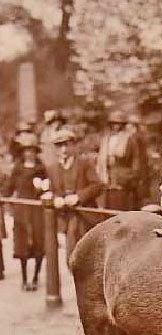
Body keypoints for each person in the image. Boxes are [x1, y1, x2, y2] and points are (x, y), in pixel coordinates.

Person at [47, 128, 105, 264]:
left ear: (74, 145)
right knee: (71, 256)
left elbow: (98, 185)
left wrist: (79, 197)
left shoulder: (84, 164)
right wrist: (56, 199)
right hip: (65, 217)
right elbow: (51, 190)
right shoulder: (52, 168)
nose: (63, 149)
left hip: (84, 215)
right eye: (59, 146)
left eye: (67, 144)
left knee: (87, 256)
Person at [1, 132, 47, 291]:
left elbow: (48, 189)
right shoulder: (17, 169)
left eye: (32, 150)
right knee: (22, 245)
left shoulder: (42, 169)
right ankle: (24, 278)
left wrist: (42, 189)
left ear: (36, 152)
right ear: (22, 152)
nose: (29, 153)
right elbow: (9, 188)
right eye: (26, 150)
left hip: (37, 210)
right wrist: (3, 197)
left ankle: (35, 277)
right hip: (22, 210)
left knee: (39, 243)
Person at [96, 111, 140, 210]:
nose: (116, 126)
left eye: (119, 123)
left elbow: (135, 159)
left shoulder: (129, 139)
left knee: (122, 205)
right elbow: (101, 160)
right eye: (114, 123)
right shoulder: (106, 139)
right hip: (107, 176)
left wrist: (132, 176)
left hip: (123, 178)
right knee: (108, 205)